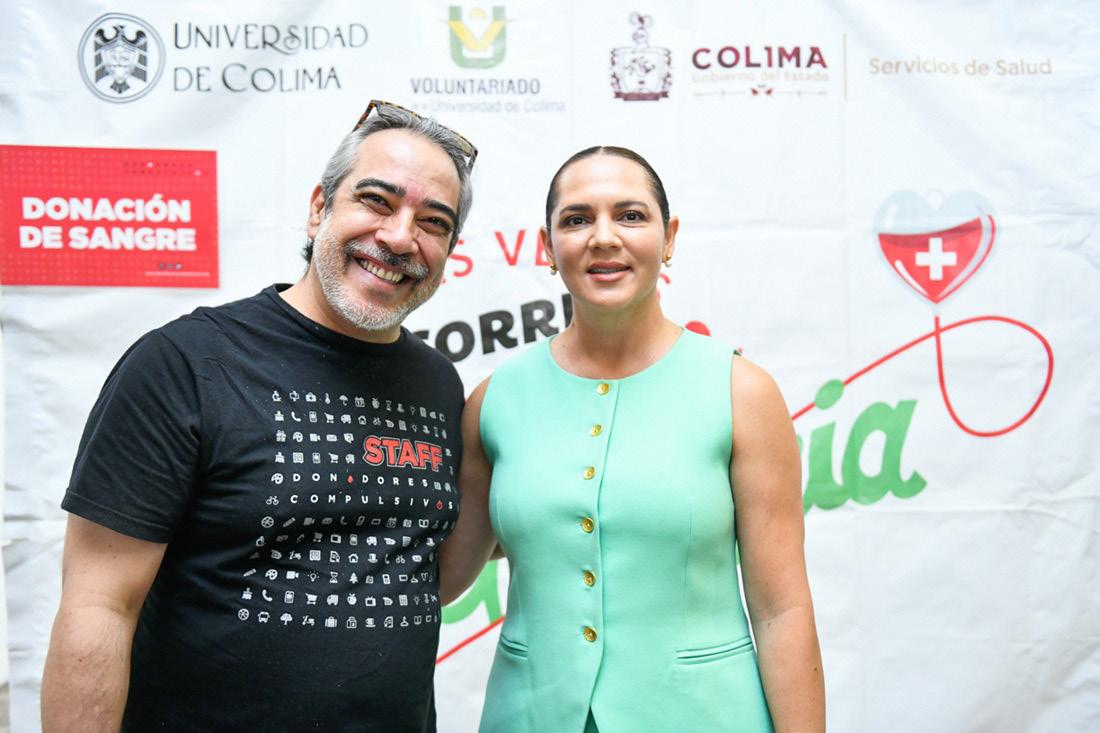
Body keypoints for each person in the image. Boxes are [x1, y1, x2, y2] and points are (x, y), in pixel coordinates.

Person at [41, 101, 476, 732]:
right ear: (319, 208)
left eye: (433, 222)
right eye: (376, 201)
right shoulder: (183, 364)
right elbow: (97, 606)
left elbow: (420, 574)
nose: (400, 237)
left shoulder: (438, 383)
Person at [441, 146, 825, 732]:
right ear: (547, 247)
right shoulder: (495, 401)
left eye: (630, 215)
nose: (603, 237)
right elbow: (441, 578)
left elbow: (782, 611)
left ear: (669, 238)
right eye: (577, 219)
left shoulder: (742, 392)